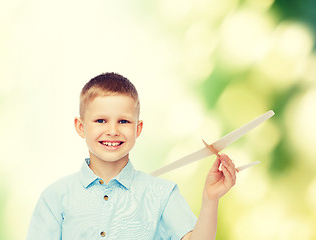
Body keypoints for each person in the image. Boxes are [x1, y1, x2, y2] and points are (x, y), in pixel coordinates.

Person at [26, 72, 236, 240]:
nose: (112, 130)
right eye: (100, 120)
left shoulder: (162, 194)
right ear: (81, 127)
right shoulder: (55, 198)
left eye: (124, 121)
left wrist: (211, 199)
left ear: (138, 128)